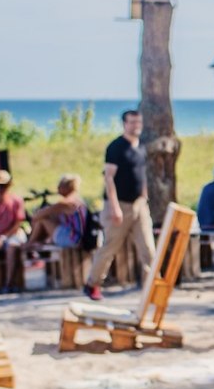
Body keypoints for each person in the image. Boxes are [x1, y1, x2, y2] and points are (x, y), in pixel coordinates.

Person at [85, 109, 156, 301]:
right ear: (124, 124)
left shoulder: (141, 147)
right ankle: (92, 283)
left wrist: (144, 195)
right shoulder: (116, 147)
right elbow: (109, 178)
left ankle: (154, 287)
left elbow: (141, 174)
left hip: (139, 204)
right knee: (110, 247)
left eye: (138, 122)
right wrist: (114, 207)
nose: (136, 126)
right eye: (132, 122)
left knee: (148, 248)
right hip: (119, 205)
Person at [27, 174, 87, 247]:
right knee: (53, 219)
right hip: (82, 237)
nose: (58, 188)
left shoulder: (65, 203)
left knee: (42, 220)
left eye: (60, 185)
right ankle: (37, 243)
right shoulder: (78, 201)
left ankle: (29, 244)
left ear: (67, 187)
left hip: (73, 239)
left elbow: (37, 216)